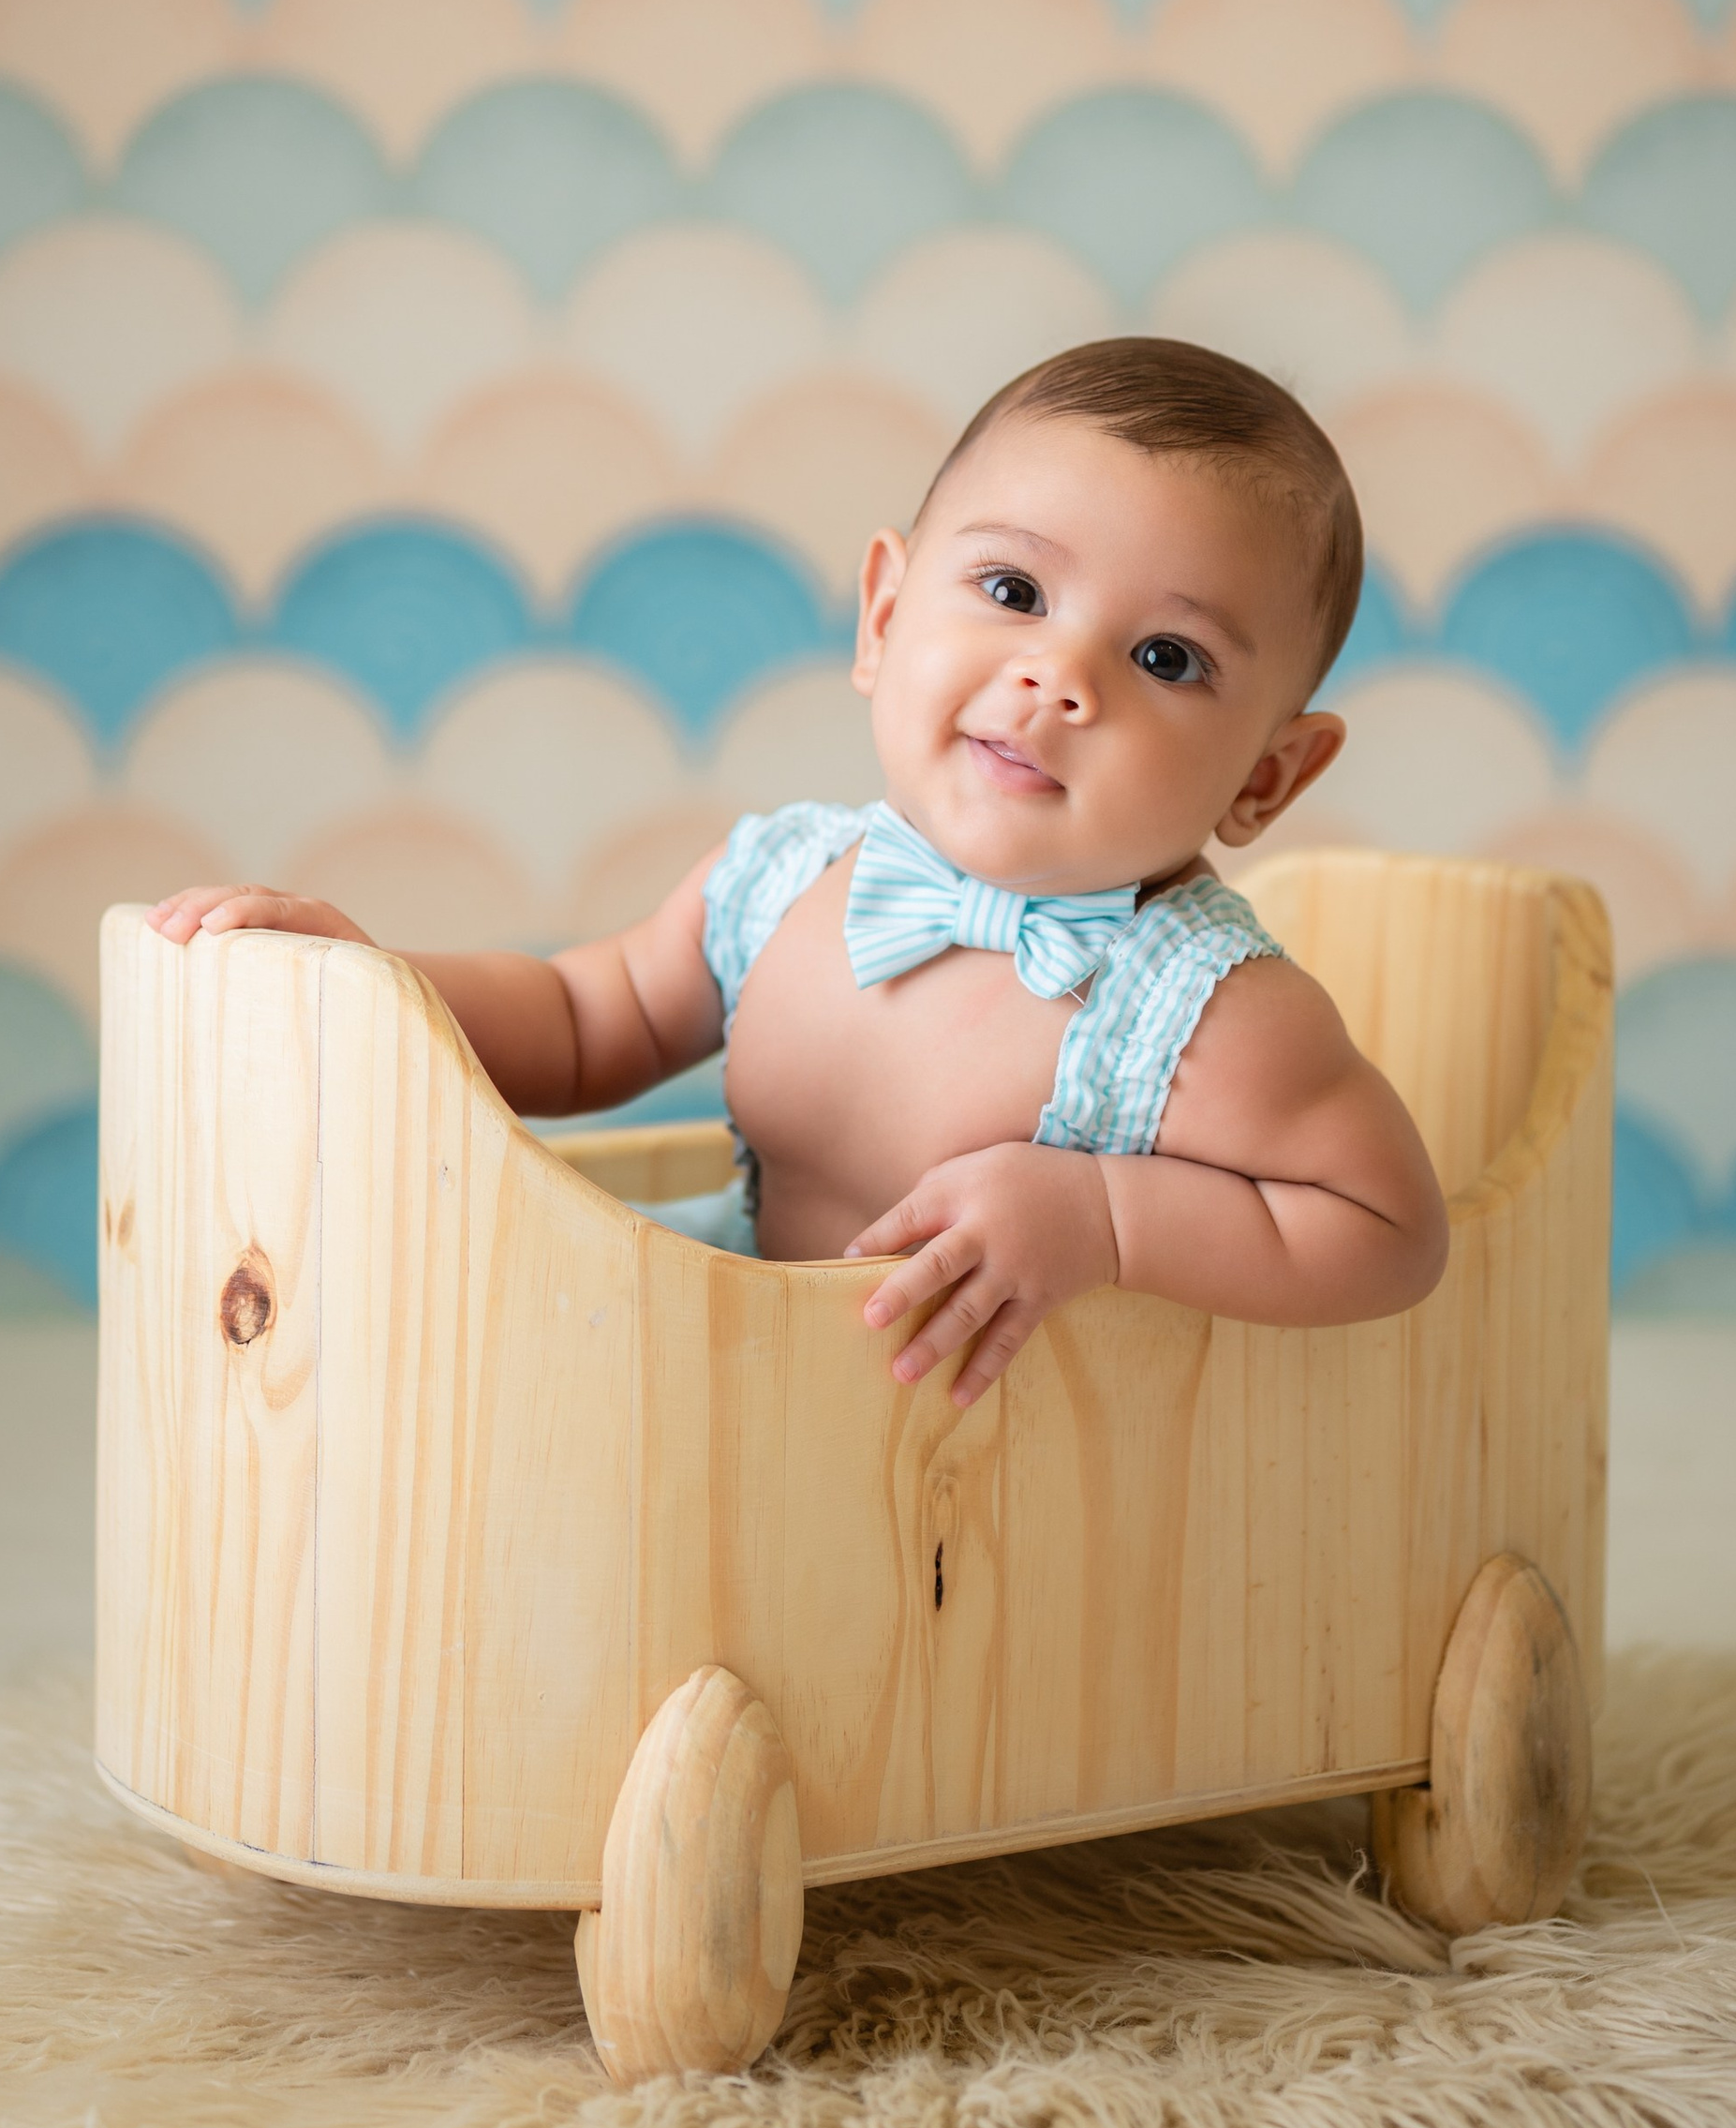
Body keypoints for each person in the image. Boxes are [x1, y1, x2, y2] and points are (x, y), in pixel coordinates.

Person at [149, 336, 1447, 1406]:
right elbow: (583, 1023)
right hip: (754, 1393)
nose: (1060, 678)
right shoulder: (783, 882)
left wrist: (1103, 1216)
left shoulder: (1210, 1017)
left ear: (1266, 778)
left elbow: (1389, 1233)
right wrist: (370, 980)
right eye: (1012, 589)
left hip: (1003, 1480)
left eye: (1166, 658)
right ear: (884, 617)